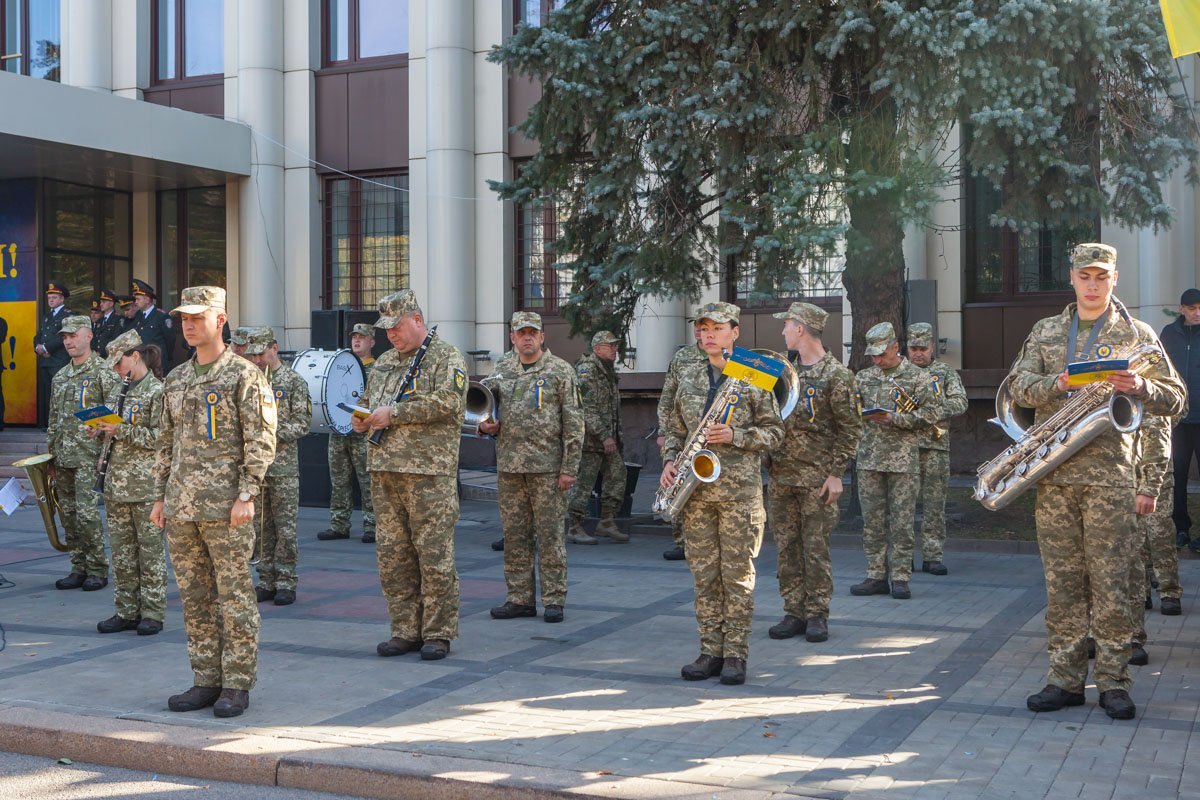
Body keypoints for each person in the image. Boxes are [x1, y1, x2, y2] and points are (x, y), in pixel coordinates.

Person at [1010, 243, 1184, 721]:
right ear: (1071, 278)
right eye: (1085, 276)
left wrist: (1142, 386)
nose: (1092, 285)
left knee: (1113, 585)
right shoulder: (1046, 331)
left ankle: (1113, 682)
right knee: (1062, 584)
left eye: (1101, 277)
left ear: (1114, 279)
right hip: (1055, 477)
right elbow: (1017, 387)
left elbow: (1177, 399)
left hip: (1111, 479)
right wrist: (1059, 383)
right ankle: (1064, 681)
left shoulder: (1137, 334)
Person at [151, 286, 277, 718]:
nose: (187, 326)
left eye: (197, 318)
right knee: (195, 597)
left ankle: (236, 683)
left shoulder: (244, 375)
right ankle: (206, 679)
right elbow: (166, 442)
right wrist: (160, 496)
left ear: (220, 320)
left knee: (234, 595)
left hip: (226, 508)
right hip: (182, 507)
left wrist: (247, 493)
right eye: (183, 319)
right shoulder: (176, 379)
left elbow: (260, 439)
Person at [661, 301, 784, 686]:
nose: (708, 335)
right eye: (703, 328)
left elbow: (775, 433)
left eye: (717, 328)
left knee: (737, 577)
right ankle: (710, 651)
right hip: (696, 495)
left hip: (739, 496)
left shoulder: (755, 372)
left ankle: (735, 655)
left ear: (735, 332)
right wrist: (670, 460)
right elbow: (675, 428)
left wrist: (736, 435)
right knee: (704, 577)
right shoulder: (688, 373)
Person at [352, 289, 466, 662]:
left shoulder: (445, 356)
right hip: (385, 471)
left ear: (417, 320)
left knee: (433, 554)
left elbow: (450, 402)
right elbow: (369, 403)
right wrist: (360, 418)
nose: (391, 335)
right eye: (386, 329)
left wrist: (395, 414)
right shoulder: (384, 362)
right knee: (393, 555)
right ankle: (404, 629)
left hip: (427, 473)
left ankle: (437, 632)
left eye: (397, 327)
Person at [766, 302, 862, 644]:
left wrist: (837, 473)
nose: (782, 331)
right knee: (786, 547)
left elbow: (850, 429)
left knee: (815, 548)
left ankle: (817, 614)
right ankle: (793, 612)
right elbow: (741, 381)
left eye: (787, 325)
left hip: (817, 480)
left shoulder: (837, 375)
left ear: (801, 328)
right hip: (781, 476)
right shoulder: (780, 369)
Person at [481, 312, 584, 623]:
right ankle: (519, 598)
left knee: (550, 536)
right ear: (512, 337)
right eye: (521, 333)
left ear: (542, 337)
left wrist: (569, 468)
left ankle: (554, 599)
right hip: (510, 467)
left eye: (532, 333)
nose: (527, 338)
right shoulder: (502, 369)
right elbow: (485, 408)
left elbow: (574, 423)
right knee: (515, 536)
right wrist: (485, 425)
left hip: (548, 469)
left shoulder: (560, 370)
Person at [851, 322, 937, 601]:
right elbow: (851, 412)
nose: (877, 360)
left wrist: (894, 418)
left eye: (881, 354)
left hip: (903, 461)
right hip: (869, 459)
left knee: (902, 522)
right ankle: (875, 575)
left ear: (895, 346)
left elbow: (931, 415)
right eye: (873, 355)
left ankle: (900, 577)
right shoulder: (863, 377)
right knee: (872, 522)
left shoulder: (917, 377)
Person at [93, 329, 168, 636]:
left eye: (118, 362)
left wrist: (120, 430)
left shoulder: (157, 391)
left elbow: (161, 438)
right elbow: (112, 432)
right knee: (122, 554)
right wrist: (98, 430)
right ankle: (126, 611)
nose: (115, 369)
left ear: (135, 356)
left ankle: (152, 613)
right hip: (116, 485)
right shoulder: (117, 390)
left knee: (149, 553)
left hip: (145, 487)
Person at [47, 314, 122, 591]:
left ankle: (97, 569)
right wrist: (51, 457)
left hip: (90, 457)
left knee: (88, 515)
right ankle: (78, 567)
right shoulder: (60, 376)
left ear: (88, 336)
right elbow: (53, 419)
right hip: (63, 457)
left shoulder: (103, 372)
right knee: (68, 514)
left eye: (73, 335)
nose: (68, 341)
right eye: (65, 337)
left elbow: (115, 413)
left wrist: (102, 440)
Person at [243, 326, 311, 607]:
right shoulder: (249, 382)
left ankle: (286, 581)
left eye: (261, 353)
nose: (257, 359)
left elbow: (302, 423)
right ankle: (266, 579)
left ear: (274, 348)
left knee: (285, 528)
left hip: (283, 468)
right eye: (253, 355)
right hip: (256, 468)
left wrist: (270, 434)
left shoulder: (293, 381)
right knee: (261, 528)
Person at [906, 322, 968, 575]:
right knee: (903, 506)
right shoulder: (899, 373)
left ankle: (932, 556)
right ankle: (903, 556)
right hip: (903, 449)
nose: (918, 353)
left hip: (935, 447)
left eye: (923, 348)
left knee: (934, 504)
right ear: (907, 348)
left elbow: (960, 402)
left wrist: (931, 411)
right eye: (914, 348)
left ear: (932, 346)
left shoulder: (944, 372)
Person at [319, 323, 378, 543]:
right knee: (339, 480)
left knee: (367, 480)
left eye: (362, 337)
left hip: (363, 432)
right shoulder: (339, 365)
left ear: (372, 342)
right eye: (354, 337)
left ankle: (372, 525)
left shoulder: (378, 369)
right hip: (339, 430)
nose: (356, 340)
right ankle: (339, 524)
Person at [566, 330, 627, 545]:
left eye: (615, 345)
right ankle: (574, 526)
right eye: (610, 345)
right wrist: (603, 436)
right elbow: (586, 407)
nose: (615, 349)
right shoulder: (587, 370)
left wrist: (614, 436)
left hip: (609, 440)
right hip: (591, 442)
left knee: (618, 475)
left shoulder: (607, 370)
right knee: (584, 483)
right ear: (597, 348)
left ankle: (607, 521)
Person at [656, 317, 707, 561]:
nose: (702, 332)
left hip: (718, 442)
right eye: (700, 327)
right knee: (676, 484)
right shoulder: (682, 357)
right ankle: (681, 540)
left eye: (715, 328)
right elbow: (668, 397)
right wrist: (664, 432)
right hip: (683, 436)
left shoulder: (741, 361)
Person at [1159, 288, 1200, 549]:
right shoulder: (1168, 334)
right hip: (1177, 420)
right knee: (1177, 476)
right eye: (1192, 308)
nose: (1198, 313)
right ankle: (1180, 529)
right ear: (1182, 309)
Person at [35, 282, 72, 426]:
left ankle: (59, 424)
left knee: (60, 393)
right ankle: (48, 423)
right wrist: (38, 347)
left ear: (62, 299)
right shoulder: (47, 316)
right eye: (49, 298)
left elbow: (63, 336)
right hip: (46, 361)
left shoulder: (67, 315)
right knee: (47, 394)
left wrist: (46, 348)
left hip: (59, 360)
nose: (51, 300)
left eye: (54, 297)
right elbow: (39, 335)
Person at [131, 279, 173, 370]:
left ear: (147, 300)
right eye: (135, 299)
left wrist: (165, 357)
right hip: (142, 363)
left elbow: (170, 341)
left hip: (157, 363)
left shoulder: (161, 316)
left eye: (138, 299)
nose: (135, 302)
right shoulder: (138, 315)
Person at [92, 289, 124, 355]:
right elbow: (94, 338)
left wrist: (101, 352)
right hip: (97, 356)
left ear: (111, 304)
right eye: (101, 302)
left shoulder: (118, 319)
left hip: (109, 356)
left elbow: (116, 339)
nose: (101, 304)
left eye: (104, 302)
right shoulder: (100, 320)